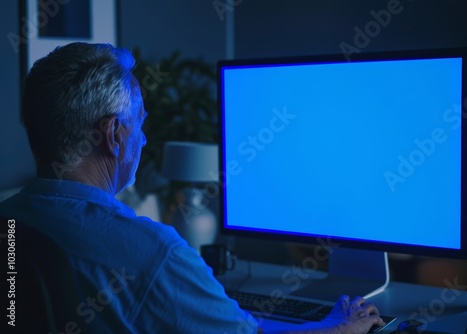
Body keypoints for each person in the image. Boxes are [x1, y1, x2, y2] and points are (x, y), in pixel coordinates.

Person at [0, 42, 385, 333]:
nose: (145, 140)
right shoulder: (153, 253)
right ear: (114, 135)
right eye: (140, 123)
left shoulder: (10, 221)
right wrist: (338, 327)